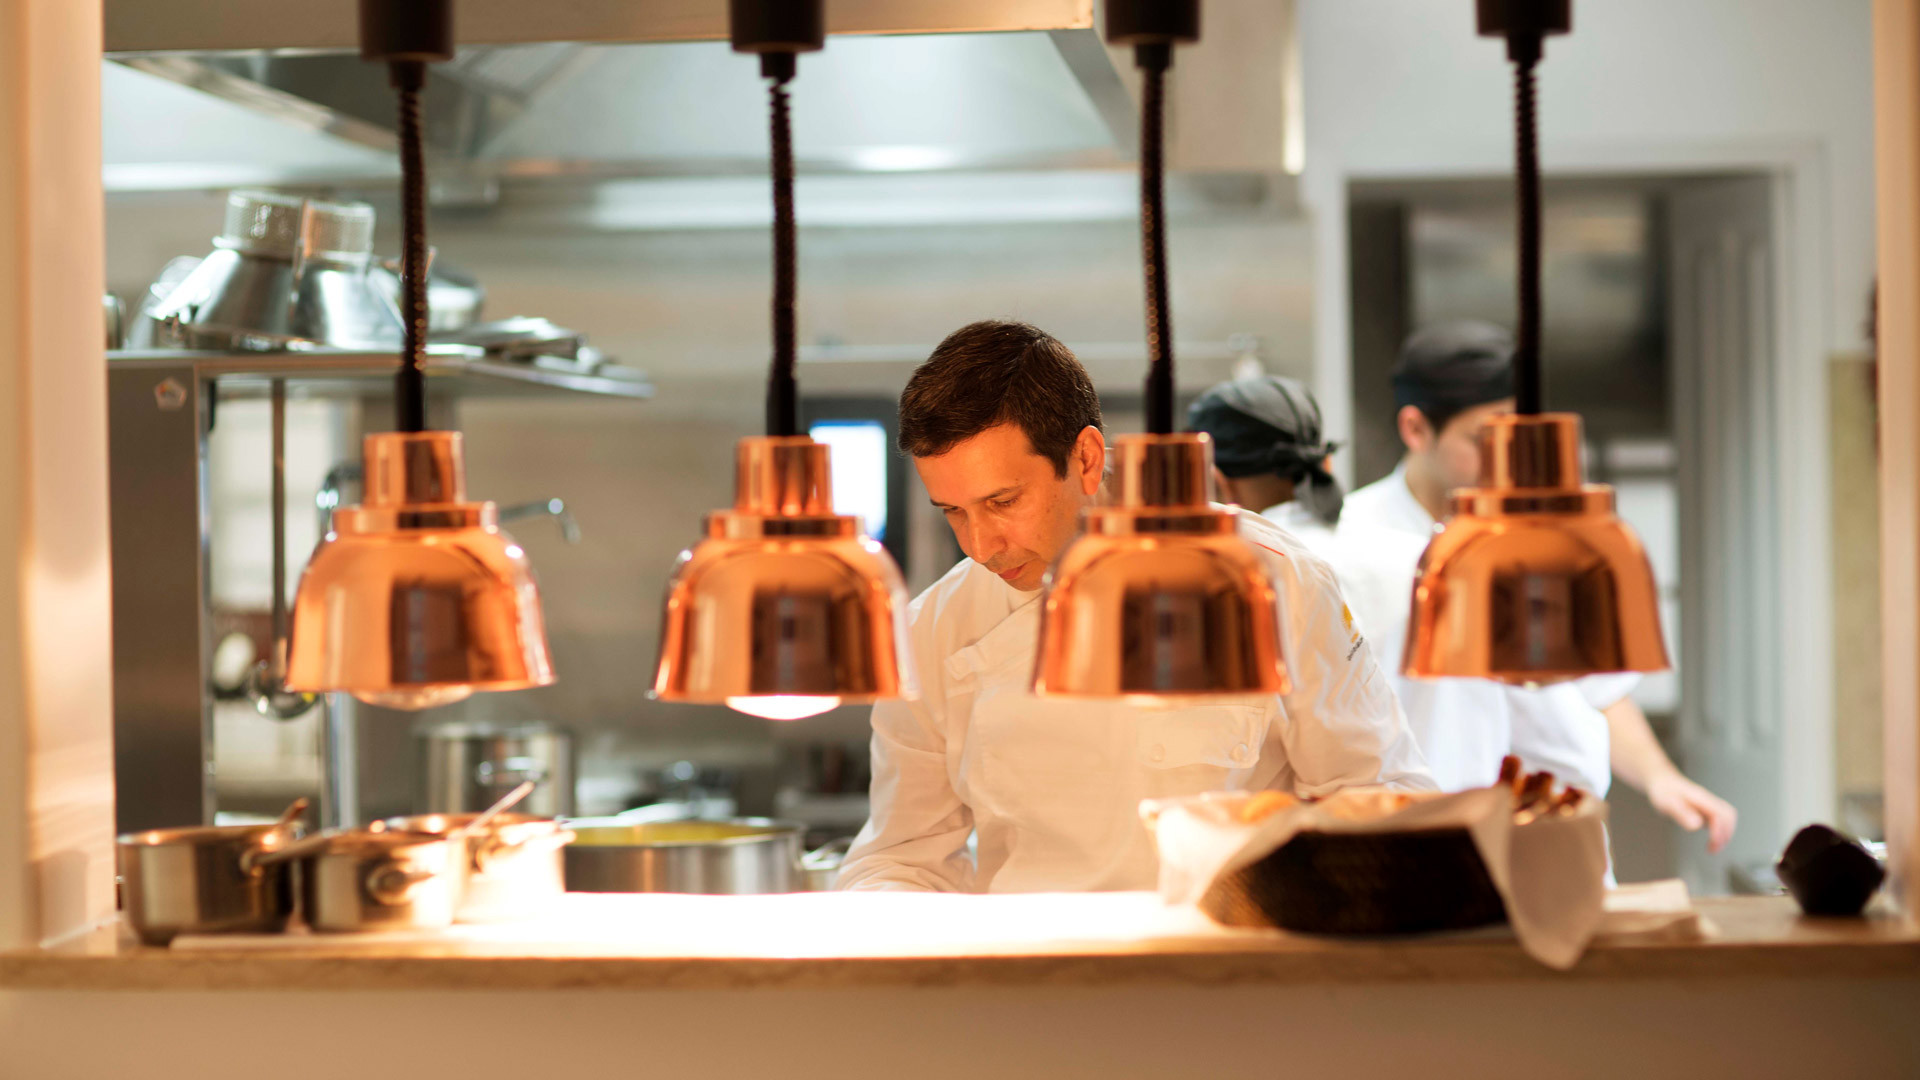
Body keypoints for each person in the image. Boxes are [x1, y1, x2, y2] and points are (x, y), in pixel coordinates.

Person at [836, 321, 1435, 893]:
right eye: (954, 512)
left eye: (1002, 501)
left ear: (1088, 459)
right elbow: (899, 858)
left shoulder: (1272, 580)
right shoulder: (934, 630)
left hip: (1235, 969)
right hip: (1035, 984)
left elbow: (1374, 793)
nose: (979, 544)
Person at [1339, 320, 1737, 852]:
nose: (1507, 463)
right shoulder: (1352, 543)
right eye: (1485, 440)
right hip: (1436, 849)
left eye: (1518, 439)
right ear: (1416, 429)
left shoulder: (1543, 539)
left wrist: (1663, 778)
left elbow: (1599, 689)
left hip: (1564, 836)